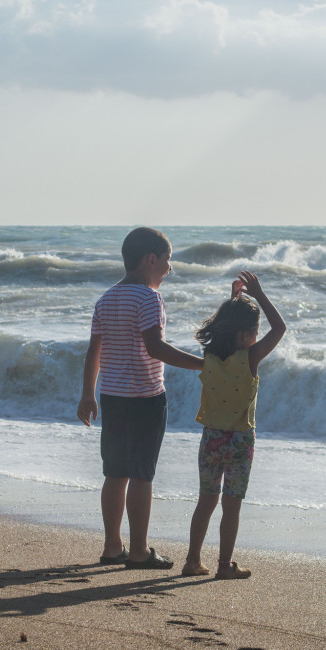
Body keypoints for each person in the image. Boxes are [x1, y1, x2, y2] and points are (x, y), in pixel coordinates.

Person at [77, 227, 203, 570]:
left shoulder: (106, 298)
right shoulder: (149, 298)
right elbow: (156, 347)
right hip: (146, 398)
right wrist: (202, 364)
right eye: (167, 259)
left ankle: (111, 546)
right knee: (142, 474)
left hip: (113, 397)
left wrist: (88, 394)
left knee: (115, 472)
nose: (169, 268)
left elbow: (93, 352)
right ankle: (138, 550)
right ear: (151, 259)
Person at [182, 270, 286, 579]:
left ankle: (192, 560)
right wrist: (259, 294)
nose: (257, 334)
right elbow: (280, 328)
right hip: (240, 442)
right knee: (231, 506)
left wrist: (235, 302)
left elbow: (230, 329)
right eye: (254, 330)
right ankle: (224, 566)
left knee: (206, 501)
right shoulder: (250, 357)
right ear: (246, 335)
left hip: (211, 438)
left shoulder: (211, 356)